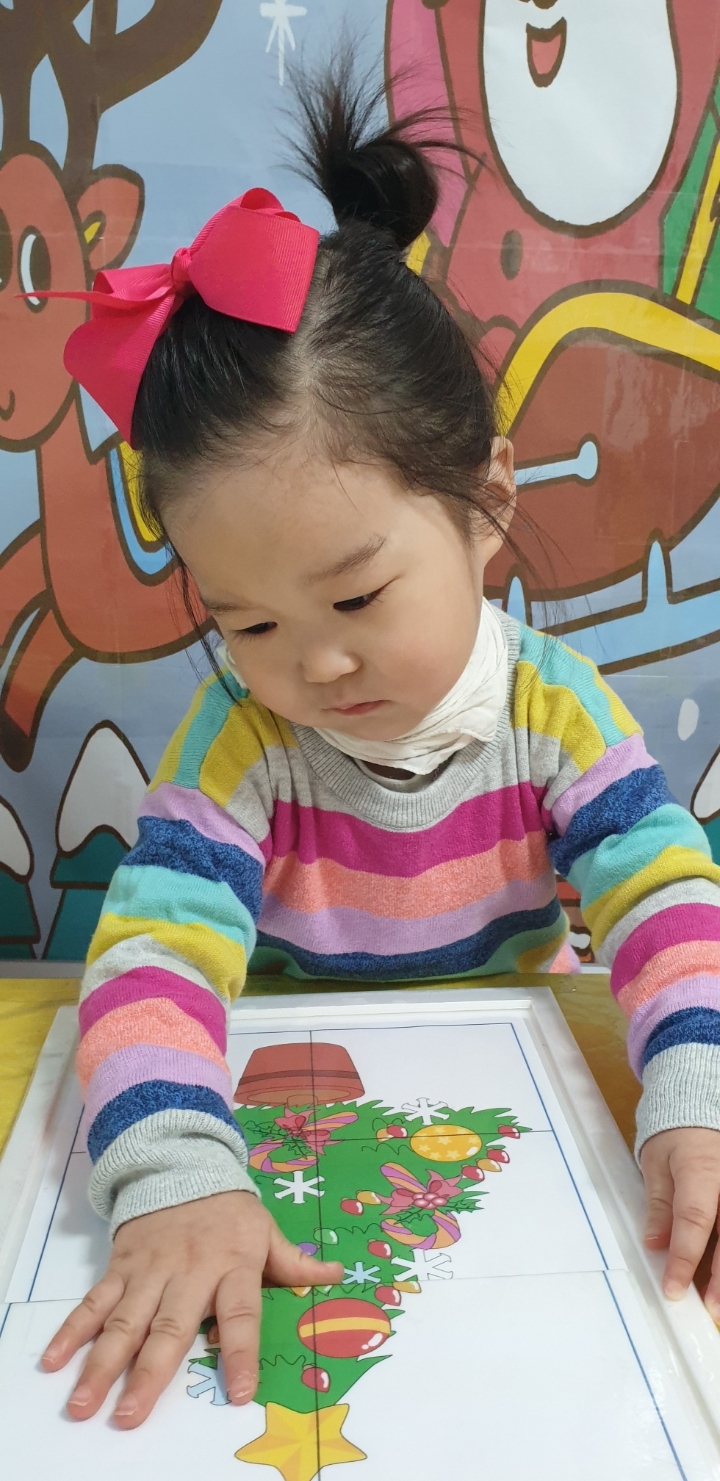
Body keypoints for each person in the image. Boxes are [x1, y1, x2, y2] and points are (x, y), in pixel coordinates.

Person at [40, 61, 720, 1429]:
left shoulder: (555, 710)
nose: (315, 666)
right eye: (246, 620)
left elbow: (666, 897)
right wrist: (177, 1176)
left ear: (484, 497)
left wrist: (695, 1088)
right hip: (297, 1108)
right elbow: (151, 960)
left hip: (515, 1107)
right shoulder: (247, 741)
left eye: (356, 599)